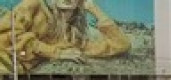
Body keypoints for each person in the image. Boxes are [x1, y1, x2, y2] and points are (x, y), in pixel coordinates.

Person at [0, 0, 130, 74]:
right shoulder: (33, 5)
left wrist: (95, 10)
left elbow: (121, 45)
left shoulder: (72, 37)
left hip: (16, 78)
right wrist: (57, 53)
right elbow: (8, 34)